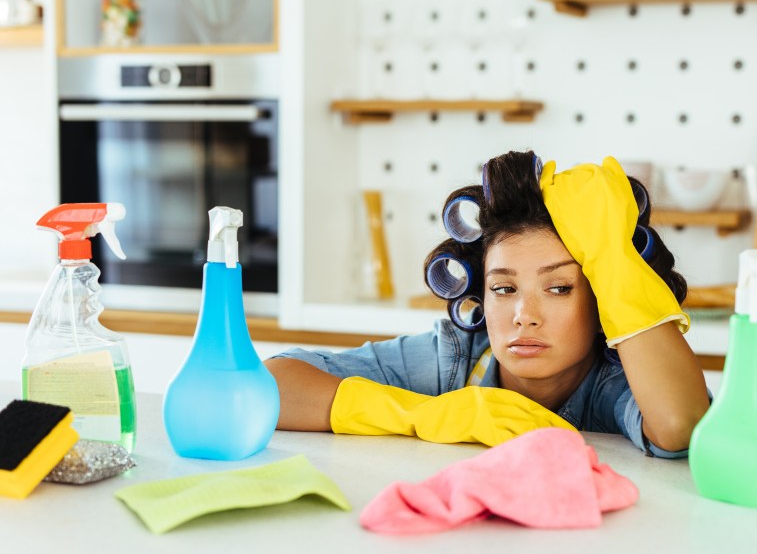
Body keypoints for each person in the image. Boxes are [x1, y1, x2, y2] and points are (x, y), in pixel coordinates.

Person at [265, 151, 710, 456]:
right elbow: (268, 385)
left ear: (602, 304)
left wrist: (613, 257)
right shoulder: (454, 356)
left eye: (558, 288)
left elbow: (681, 426)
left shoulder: (616, 379)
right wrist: (426, 413)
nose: (524, 316)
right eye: (504, 288)